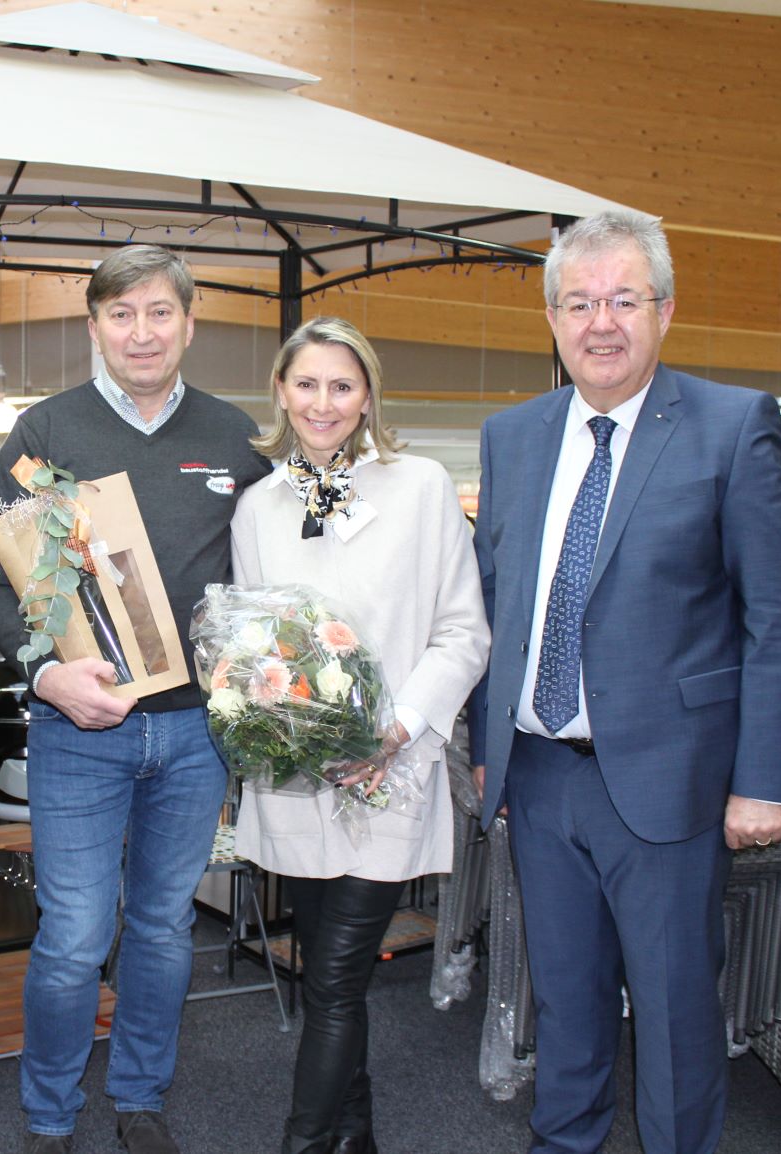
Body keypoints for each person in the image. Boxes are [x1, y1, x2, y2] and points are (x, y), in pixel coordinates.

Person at [468, 210, 781, 1154]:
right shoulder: (512, 436)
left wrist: (762, 780)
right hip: (538, 778)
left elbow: (778, 618)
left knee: (671, 1013)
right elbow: (496, 606)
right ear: (551, 317)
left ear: (664, 310)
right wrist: (483, 752)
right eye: (578, 302)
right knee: (565, 998)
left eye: (624, 298)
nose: (601, 322)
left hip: (671, 780)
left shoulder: (731, 425)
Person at [0, 244, 271, 1154]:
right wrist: (44, 673)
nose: (141, 332)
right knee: (72, 936)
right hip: (78, 728)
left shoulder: (235, 438)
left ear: (190, 321)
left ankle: (140, 1098)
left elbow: (264, 577)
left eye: (159, 313)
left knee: (165, 928)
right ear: (94, 325)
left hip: (194, 737)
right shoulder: (45, 434)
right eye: (121, 314)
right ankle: (50, 1114)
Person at [229, 317, 490, 1154]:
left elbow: (463, 633)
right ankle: (354, 1137)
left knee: (337, 981)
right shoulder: (259, 506)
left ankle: (303, 1143)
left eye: (342, 385)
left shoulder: (418, 486)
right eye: (306, 384)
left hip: (389, 770)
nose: (323, 402)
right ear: (280, 391)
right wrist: (277, 721)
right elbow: (251, 642)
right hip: (297, 777)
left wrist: (397, 726)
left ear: (369, 394)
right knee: (328, 982)